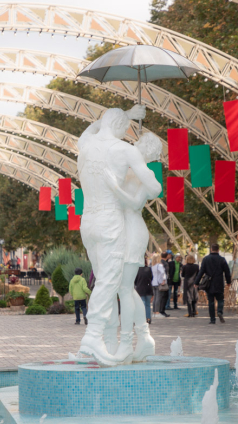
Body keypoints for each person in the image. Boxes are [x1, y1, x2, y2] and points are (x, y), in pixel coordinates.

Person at [76, 104, 160, 365]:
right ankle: (109, 341)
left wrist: (116, 188)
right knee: (111, 284)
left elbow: (150, 191)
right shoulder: (123, 153)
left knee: (117, 285)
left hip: (107, 224)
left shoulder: (87, 144)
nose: (131, 139)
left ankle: (122, 342)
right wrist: (128, 116)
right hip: (110, 223)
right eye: (127, 131)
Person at [101, 131, 162, 362]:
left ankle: (128, 342)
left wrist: (115, 188)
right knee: (123, 288)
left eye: (142, 144)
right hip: (121, 229)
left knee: (124, 288)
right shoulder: (126, 170)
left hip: (133, 230)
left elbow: (136, 204)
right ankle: (144, 338)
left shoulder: (146, 175)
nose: (136, 146)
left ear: (148, 151)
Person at [195, 243, 232, 324]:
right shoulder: (222, 259)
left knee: (211, 301)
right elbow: (227, 271)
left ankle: (212, 320)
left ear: (211, 249)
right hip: (219, 282)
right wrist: (228, 282)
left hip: (209, 284)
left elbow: (201, 272)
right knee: (220, 299)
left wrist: (196, 282)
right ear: (218, 250)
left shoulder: (206, 259)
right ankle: (219, 311)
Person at [134, 256, 153, 324]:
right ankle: (148, 318)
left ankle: (142, 319)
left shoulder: (137, 269)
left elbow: (135, 281)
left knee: (142, 304)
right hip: (148, 288)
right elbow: (151, 278)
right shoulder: (149, 269)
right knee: (148, 304)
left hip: (140, 288)